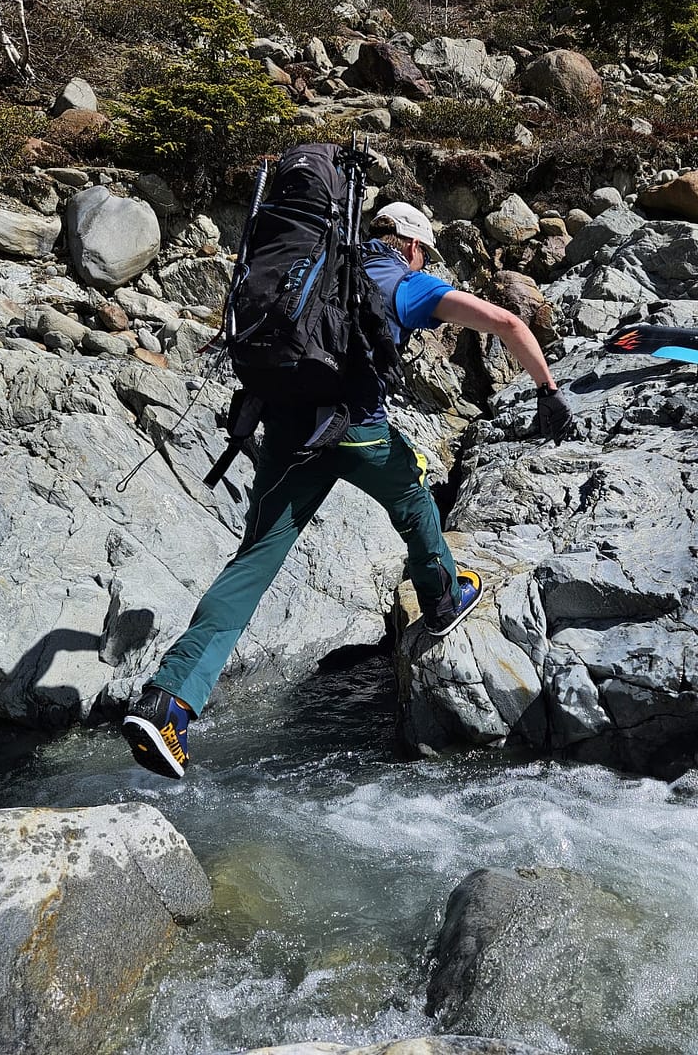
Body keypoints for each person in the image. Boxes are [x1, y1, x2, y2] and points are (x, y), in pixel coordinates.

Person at [122, 200, 575, 778]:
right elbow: (506, 323)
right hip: (356, 430)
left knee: (254, 560)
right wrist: (548, 390)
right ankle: (440, 598)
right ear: (413, 245)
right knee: (412, 493)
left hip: (287, 430)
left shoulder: (315, 265)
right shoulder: (406, 281)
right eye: (423, 253)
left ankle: (168, 701)